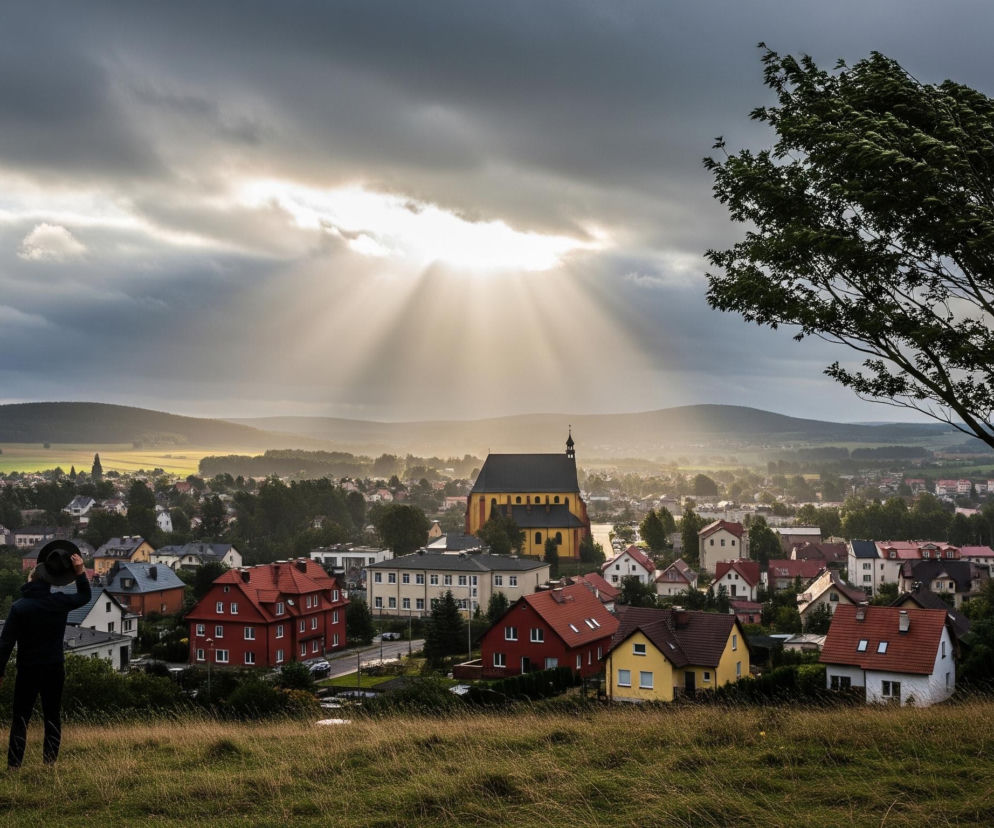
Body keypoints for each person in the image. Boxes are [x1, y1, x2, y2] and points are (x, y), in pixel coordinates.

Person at [0, 540, 92, 769]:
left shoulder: (19, 607)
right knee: (52, 715)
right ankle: (49, 764)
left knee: (21, 717)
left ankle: (14, 766)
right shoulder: (58, 603)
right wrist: (80, 572)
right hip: (53, 667)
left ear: (31, 579)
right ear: (51, 581)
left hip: (28, 669)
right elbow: (84, 597)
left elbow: (5, 643)